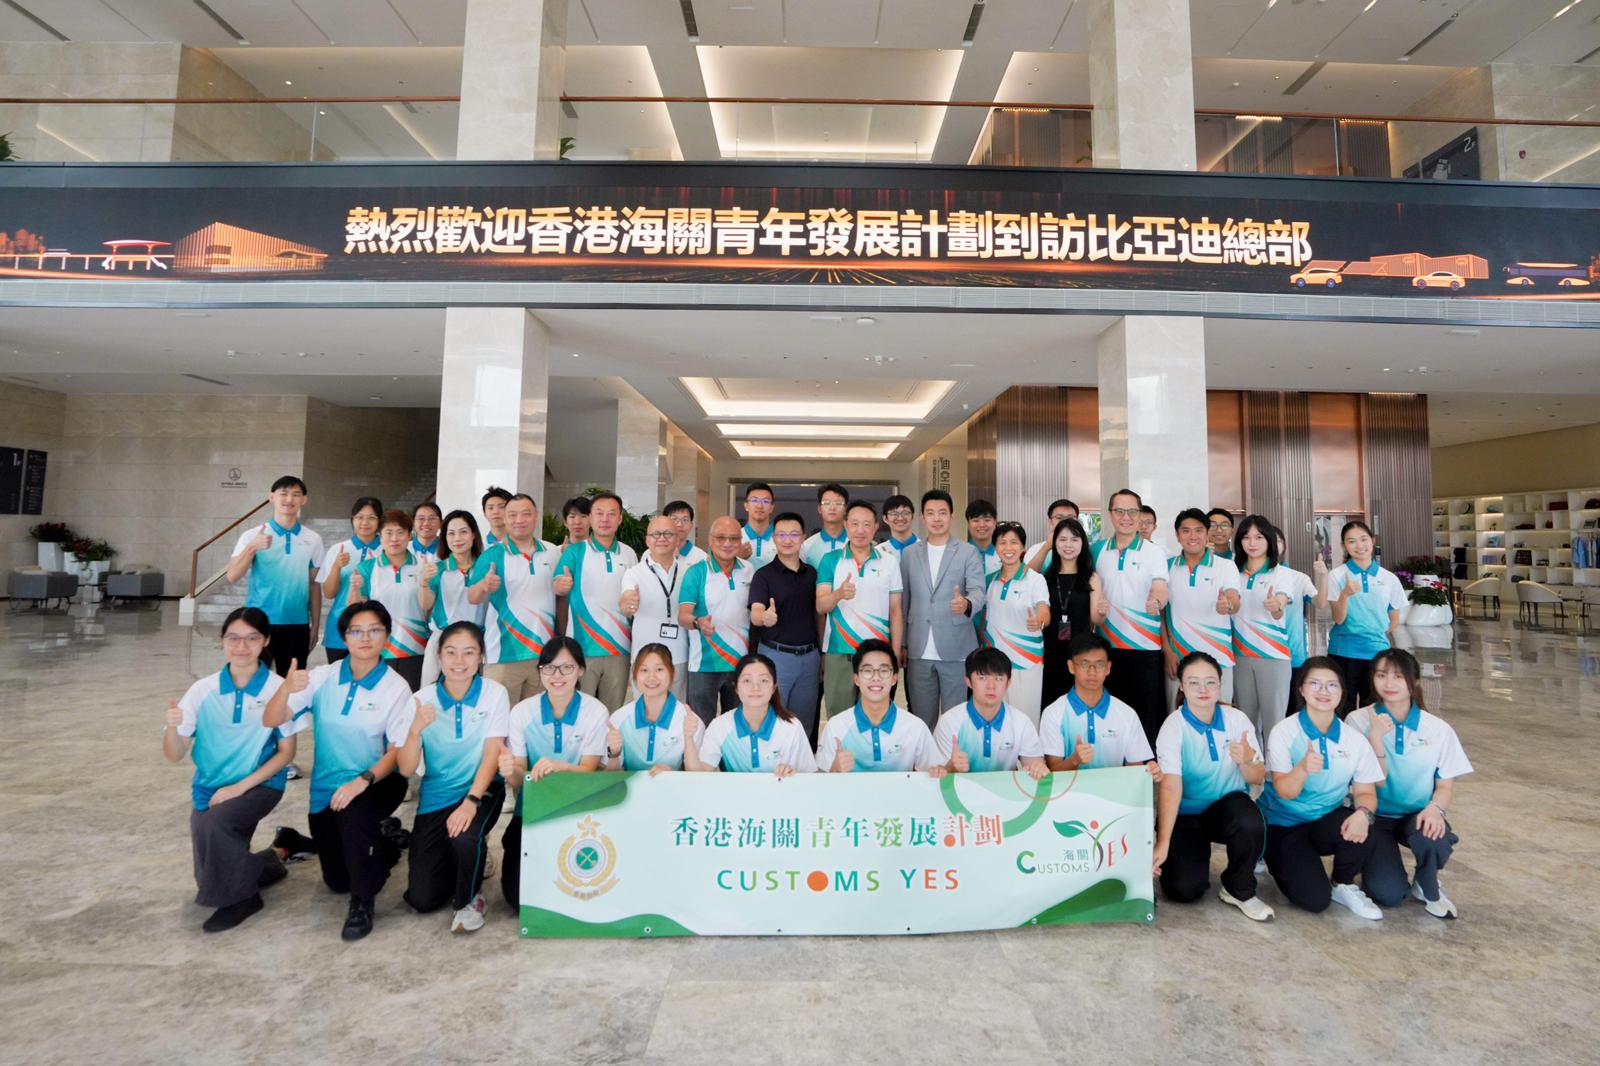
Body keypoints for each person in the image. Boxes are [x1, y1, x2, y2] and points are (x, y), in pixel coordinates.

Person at [263, 601, 413, 941]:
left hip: (379, 780)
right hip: (327, 790)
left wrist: (362, 781)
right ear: (344, 637)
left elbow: (397, 752)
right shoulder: (322, 678)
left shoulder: (396, 687)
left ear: (387, 636)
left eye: (374, 630)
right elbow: (272, 719)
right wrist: (285, 688)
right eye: (356, 631)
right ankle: (386, 843)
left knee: (356, 821)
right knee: (337, 880)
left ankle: (362, 904)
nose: (365, 638)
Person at [162, 606, 295, 932]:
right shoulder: (203, 690)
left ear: (266, 641)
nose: (241, 646)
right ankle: (266, 864)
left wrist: (239, 788)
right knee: (209, 873)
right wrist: (172, 729)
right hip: (209, 786)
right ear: (222, 641)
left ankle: (243, 900)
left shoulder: (278, 688)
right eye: (233, 638)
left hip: (260, 784)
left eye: (252, 638)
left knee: (215, 827)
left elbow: (286, 753)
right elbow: (174, 754)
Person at [395, 621, 508, 933]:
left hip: (482, 789)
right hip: (437, 796)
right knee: (423, 899)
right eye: (451, 652)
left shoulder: (494, 694)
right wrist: (415, 730)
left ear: (481, 656)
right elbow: (405, 769)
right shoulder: (421, 700)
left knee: (465, 836)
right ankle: (467, 859)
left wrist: (471, 801)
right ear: (439, 657)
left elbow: (492, 754)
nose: (460, 661)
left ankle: (470, 900)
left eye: (469, 652)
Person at [1348, 649, 1472, 919]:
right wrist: (1375, 738)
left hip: (1416, 814)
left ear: (1414, 680)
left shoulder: (1437, 729)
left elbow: (1445, 786)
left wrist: (1435, 809)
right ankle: (1373, 862)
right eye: (1381, 675)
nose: (1389, 683)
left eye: (1398, 676)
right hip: (1374, 816)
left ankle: (1426, 881)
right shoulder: (1357, 720)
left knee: (1434, 836)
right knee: (1389, 894)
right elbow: (1373, 782)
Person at [1257, 657, 1385, 919]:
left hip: (1325, 819)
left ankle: (1342, 883)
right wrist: (1303, 768)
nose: (1323, 691)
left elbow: (1366, 792)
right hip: (1283, 823)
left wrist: (1363, 813)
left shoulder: (1353, 739)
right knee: (1315, 900)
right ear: (1301, 689)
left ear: (1341, 692)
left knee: (1366, 825)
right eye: (1314, 684)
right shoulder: (1284, 732)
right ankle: (1266, 852)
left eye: (1332, 685)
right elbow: (1285, 791)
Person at [1151, 651, 1272, 921]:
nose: (1203, 689)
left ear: (1220, 684)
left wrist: (1246, 760)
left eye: (1210, 682)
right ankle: (1191, 856)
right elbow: (1170, 787)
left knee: (1250, 820)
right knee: (1183, 889)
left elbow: (1257, 777)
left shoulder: (1236, 720)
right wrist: (1163, 843)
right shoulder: (1173, 726)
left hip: (1228, 810)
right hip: (1186, 815)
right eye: (1193, 682)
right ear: (1182, 686)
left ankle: (1239, 888)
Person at [497, 636, 609, 911]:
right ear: (540, 671)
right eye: (549, 668)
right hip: (533, 811)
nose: (557, 676)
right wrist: (510, 772)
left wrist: (561, 767)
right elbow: (519, 780)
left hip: (580, 813)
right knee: (516, 899)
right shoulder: (523, 713)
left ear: (580, 670)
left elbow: (590, 771)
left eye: (566, 668)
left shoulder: (595, 711)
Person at [899, 490, 985, 729]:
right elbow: (904, 600)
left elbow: (979, 592)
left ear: (952, 516)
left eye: (942, 513)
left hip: (957, 649)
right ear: (922, 518)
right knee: (922, 722)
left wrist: (966, 603)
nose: (937, 518)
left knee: (955, 721)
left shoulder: (968, 552)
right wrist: (903, 642)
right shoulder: (909, 554)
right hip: (918, 649)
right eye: (931, 513)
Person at [1232, 515, 1322, 736]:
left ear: (1269, 540)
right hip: (1240, 656)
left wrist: (1276, 606)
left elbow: (1280, 603)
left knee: (1275, 723)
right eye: (1246, 537)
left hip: (1273, 656)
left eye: (1259, 537)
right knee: (1246, 723)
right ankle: (1252, 760)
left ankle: (1275, 761)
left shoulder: (1281, 573)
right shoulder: (1232, 571)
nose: (1252, 543)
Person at [1093, 488, 1170, 747]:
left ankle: (1146, 767)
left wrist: (1157, 600)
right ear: (1110, 514)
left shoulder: (1153, 552)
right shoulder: (1097, 550)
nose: (1126, 517)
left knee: (1145, 718)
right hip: (1108, 648)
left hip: (1145, 649)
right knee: (1111, 717)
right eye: (1119, 511)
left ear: (1139, 515)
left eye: (1132, 512)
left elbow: (1161, 587)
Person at [226, 475, 324, 676]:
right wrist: (252, 547)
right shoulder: (251, 535)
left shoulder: (313, 539)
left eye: (296, 494)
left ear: (304, 499)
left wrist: (315, 625)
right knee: (255, 680)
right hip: (258, 622)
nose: (289, 499)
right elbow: (232, 575)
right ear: (271, 497)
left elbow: (314, 584)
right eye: (283, 494)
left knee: (292, 682)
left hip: (297, 624)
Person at [816, 500, 905, 720]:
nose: (860, 530)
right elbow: (820, 606)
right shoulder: (830, 560)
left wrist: (894, 654)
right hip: (839, 651)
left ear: (876, 527)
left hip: (878, 653)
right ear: (845, 525)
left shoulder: (889, 562)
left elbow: (896, 610)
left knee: (876, 716)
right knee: (839, 718)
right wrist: (838, 594)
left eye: (866, 524)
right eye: (855, 524)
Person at [468, 493, 558, 703]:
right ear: (505, 518)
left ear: (536, 516)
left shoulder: (552, 552)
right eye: (513, 515)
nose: (519, 520)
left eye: (526, 514)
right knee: (500, 718)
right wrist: (483, 585)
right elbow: (472, 596)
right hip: (503, 656)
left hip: (544, 655)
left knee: (536, 718)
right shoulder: (492, 555)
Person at [554, 491, 638, 708]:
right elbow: (557, 584)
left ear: (620, 519)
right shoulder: (574, 553)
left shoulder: (629, 554)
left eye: (611, 514)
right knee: (580, 712)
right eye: (599, 513)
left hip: (620, 648)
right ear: (590, 518)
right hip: (582, 648)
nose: (605, 519)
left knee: (612, 713)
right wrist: (560, 585)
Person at [815, 640, 943, 774]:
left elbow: (934, 775)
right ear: (856, 679)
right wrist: (834, 771)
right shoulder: (836, 727)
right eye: (867, 671)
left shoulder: (915, 727)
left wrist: (944, 770)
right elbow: (819, 782)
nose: (876, 677)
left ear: (894, 678)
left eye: (884, 671)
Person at [1039, 633, 1157, 776]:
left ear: (1108, 668)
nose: (1092, 671)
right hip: (1070, 791)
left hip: (1113, 790)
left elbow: (1135, 772)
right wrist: (1074, 760)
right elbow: (1051, 774)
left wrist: (1150, 771)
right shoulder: (1053, 713)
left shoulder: (1127, 714)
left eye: (1099, 664)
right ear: (1071, 667)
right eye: (1084, 664)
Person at [748, 512, 822, 738]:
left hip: (809, 658)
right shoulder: (763, 575)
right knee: (771, 721)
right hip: (776, 656)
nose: (787, 540)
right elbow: (755, 613)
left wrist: (822, 654)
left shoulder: (812, 574)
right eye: (781, 534)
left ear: (803, 538)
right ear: (774, 538)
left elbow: (818, 615)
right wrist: (764, 617)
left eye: (793, 534)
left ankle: (800, 762)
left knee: (803, 726)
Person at [679, 516, 757, 723]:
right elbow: (683, 615)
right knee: (700, 725)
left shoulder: (749, 570)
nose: (727, 543)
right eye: (721, 538)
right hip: (704, 664)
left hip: (740, 663)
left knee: (738, 725)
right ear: (710, 540)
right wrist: (698, 622)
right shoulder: (696, 572)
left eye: (734, 538)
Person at [1162, 508, 1241, 710]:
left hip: (1218, 658)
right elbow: (1161, 614)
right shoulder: (1166, 567)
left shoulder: (1225, 566)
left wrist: (1228, 605)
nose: (1193, 536)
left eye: (1198, 530)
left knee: (1221, 716)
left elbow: (1234, 598)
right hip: (1178, 659)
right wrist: (1167, 651)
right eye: (1186, 531)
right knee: (1178, 717)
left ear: (1207, 534)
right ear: (1177, 535)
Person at [1326, 520, 1407, 711]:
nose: (1359, 545)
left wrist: (1373, 633)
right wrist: (1345, 594)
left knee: (1373, 710)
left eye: (1363, 539)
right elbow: (1338, 619)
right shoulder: (1337, 575)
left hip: (1377, 653)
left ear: (1372, 540)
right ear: (1343, 546)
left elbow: (1394, 620)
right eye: (1351, 541)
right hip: (1343, 652)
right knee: (1341, 708)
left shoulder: (1389, 578)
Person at [933, 647, 1048, 778]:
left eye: (998, 678)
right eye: (982, 678)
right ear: (968, 681)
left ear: (1008, 683)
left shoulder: (1021, 722)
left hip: (1005, 789)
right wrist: (950, 767)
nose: (991, 686)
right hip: (961, 789)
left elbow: (1033, 762)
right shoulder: (949, 722)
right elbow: (937, 776)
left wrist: (1038, 768)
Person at [695, 654, 817, 774]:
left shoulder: (792, 727)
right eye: (747, 680)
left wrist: (794, 774)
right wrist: (689, 738)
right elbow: (702, 775)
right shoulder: (719, 726)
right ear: (736, 687)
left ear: (774, 687)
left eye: (763, 680)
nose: (755, 687)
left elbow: (809, 777)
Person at [348, 508, 429, 690]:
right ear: (380, 536)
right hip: (378, 648)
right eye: (388, 533)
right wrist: (354, 589)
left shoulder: (423, 566)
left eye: (400, 532)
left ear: (409, 535)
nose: (394, 539)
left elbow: (429, 607)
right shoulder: (367, 568)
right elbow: (354, 610)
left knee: (411, 697)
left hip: (415, 647)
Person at [982, 522, 1050, 724]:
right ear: (996, 548)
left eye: (1014, 542)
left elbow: (1044, 610)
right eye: (1002, 543)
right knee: (996, 719)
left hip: (1026, 661)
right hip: (995, 663)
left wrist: (1039, 621)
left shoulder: (1035, 579)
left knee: (1025, 721)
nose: (1008, 548)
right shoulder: (989, 580)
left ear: (1022, 548)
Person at [604, 643, 707, 772]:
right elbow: (609, 777)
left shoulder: (690, 722)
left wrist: (672, 773)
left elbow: (697, 778)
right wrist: (614, 753)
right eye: (644, 670)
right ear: (635, 675)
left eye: (659, 669)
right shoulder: (619, 718)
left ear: (672, 673)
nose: (651, 677)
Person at [619, 515, 691, 700]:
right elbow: (625, 602)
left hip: (679, 654)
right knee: (645, 709)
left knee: (676, 709)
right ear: (647, 540)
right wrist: (628, 603)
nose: (661, 539)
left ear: (677, 539)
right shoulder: (634, 573)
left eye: (668, 534)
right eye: (656, 534)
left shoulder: (688, 572)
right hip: (644, 657)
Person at [1039, 517, 1107, 709]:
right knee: (1051, 701)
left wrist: (1101, 613)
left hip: (1081, 650)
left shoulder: (1091, 578)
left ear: (1082, 543)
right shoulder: (1045, 578)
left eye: (1074, 539)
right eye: (1062, 539)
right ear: (1054, 543)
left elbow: (1095, 619)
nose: (1068, 545)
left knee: (1079, 700)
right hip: (1050, 649)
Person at [318, 496, 383, 665]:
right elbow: (329, 593)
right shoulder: (338, 549)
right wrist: (336, 566)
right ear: (352, 520)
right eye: (359, 517)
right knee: (338, 676)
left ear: (379, 521)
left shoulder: (386, 550)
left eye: (371, 517)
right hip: (341, 626)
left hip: (375, 628)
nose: (365, 522)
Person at [419, 510, 488, 632]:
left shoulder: (486, 567)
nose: (457, 538)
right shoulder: (438, 569)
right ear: (445, 538)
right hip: (444, 636)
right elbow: (426, 605)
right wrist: (424, 582)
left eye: (463, 532)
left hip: (479, 637)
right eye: (451, 533)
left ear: (473, 534)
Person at [801, 483, 850, 569]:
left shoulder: (855, 542)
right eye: (827, 503)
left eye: (838, 503)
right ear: (819, 508)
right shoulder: (807, 546)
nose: (832, 508)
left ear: (845, 509)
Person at [1024, 499, 1077, 570]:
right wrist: (1046, 547)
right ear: (1050, 521)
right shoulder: (1035, 549)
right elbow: (1024, 575)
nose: (1065, 522)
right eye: (1059, 518)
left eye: (1070, 518)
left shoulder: (1086, 548)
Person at [737, 482, 778, 566]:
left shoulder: (782, 539)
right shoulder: (735, 538)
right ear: (746, 506)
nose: (759, 506)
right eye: (754, 500)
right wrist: (736, 558)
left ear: (772, 507)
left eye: (765, 501)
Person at [664, 499, 708, 568]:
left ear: (691, 526)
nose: (679, 524)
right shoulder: (651, 554)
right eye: (674, 519)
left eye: (685, 520)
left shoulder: (701, 558)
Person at [964, 498, 1001, 580]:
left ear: (995, 522)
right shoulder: (960, 554)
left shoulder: (1004, 553)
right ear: (968, 524)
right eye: (976, 520)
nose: (981, 525)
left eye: (987, 520)